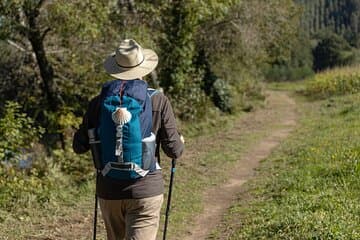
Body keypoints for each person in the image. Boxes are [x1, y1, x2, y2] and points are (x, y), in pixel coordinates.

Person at [73, 39, 184, 240]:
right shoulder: (157, 100)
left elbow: (78, 146)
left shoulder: (98, 103)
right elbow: (174, 150)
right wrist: (180, 142)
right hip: (146, 191)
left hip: (109, 191)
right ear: (144, 68)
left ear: (115, 69)